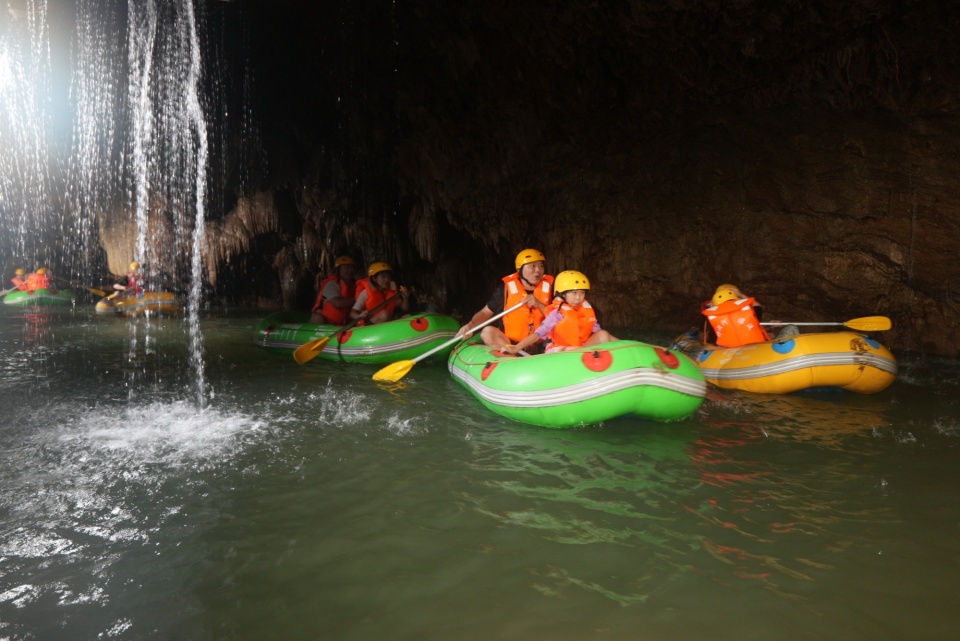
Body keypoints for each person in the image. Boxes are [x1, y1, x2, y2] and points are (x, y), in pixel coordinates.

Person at [458, 248, 555, 351]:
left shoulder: (550, 288)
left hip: (540, 343)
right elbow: (485, 312)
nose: (538, 270)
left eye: (541, 266)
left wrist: (539, 304)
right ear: (519, 270)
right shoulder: (506, 289)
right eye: (532, 266)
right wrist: (470, 325)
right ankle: (511, 358)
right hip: (511, 343)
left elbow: (560, 318)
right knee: (487, 332)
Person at [501, 270, 617, 355]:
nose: (578, 298)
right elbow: (538, 334)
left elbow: (600, 333)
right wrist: (516, 348)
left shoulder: (585, 311)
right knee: (569, 350)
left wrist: (626, 345)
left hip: (579, 349)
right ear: (563, 294)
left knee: (603, 335)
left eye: (582, 293)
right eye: (574, 293)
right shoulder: (556, 313)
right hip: (558, 351)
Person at [701, 284, 772, 348]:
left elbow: (704, 335)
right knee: (770, 335)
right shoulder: (747, 311)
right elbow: (757, 306)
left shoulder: (711, 315)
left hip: (724, 350)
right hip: (753, 346)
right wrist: (741, 294)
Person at [310, 255, 357, 324]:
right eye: (346, 268)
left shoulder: (354, 285)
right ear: (338, 270)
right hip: (327, 321)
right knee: (318, 319)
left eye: (351, 268)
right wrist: (357, 298)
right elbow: (337, 304)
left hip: (343, 323)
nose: (350, 271)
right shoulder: (331, 284)